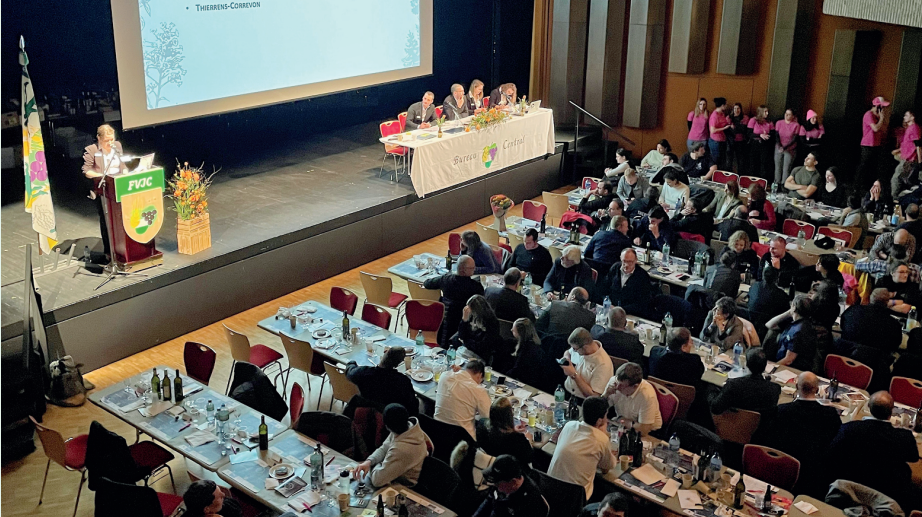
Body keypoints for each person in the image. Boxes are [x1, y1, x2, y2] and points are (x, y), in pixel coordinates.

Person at [827, 391, 920, 509]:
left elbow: (832, 452)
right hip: (889, 489)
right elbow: (914, 457)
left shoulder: (849, 429)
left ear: (869, 407)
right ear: (891, 412)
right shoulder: (904, 437)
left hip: (852, 482)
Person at [759, 372, 841, 498]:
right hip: (814, 470)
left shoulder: (782, 410)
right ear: (817, 389)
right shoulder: (830, 414)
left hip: (783, 463)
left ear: (797, 387)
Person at [547, 396, 616, 499]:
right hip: (575, 498)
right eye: (606, 416)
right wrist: (603, 434)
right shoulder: (601, 439)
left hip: (550, 488)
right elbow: (607, 467)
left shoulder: (569, 425)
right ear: (599, 421)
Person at [354, 403, 432, 487]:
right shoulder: (407, 428)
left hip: (404, 487)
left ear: (387, 427)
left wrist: (376, 465)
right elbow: (384, 448)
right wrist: (369, 462)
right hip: (393, 475)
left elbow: (377, 480)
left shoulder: (401, 449)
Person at [82, 124, 128, 260]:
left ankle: (123, 248)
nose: (110, 143)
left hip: (119, 186)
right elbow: (86, 171)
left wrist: (125, 172)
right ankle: (109, 252)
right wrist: (102, 175)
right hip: (103, 189)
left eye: (112, 139)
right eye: (107, 140)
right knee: (107, 221)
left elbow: (123, 165)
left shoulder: (117, 146)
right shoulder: (92, 150)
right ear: (99, 138)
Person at [708, 347, 780, 426]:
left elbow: (715, 408)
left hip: (731, 427)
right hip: (759, 431)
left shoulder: (733, 385)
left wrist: (711, 389)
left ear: (746, 364)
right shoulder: (775, 389)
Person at [424, 255, 485, 346]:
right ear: (463, 270)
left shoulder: (445, 279)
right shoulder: (475, 287)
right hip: (464, 324)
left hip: (444, 323)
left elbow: (427, 284)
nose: (474, 269)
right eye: (472, 268)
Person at [346, 347, 418, 414]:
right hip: (391, 417)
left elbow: (350, 373)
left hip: (368, 412)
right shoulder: (403, 381)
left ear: (384, 354)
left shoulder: (364, 373)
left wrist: (351, 363)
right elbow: (412, 405)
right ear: (398, 364)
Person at [474, 455, 549, 517]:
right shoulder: (502, 483)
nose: (494, 485)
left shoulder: (529, 502)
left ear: (513, 482)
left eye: (497, 483)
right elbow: (489, 499)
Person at [434, 359, 491, 438]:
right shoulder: (479, 390)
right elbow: (488, 417)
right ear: (480, 375)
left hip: (436, 431)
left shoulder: (444, 376)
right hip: (462, 439)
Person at [603, 362, 662, 436]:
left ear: (635, 386)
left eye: (622, 385)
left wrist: (623, 421)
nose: (617, 387)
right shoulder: (614, 382)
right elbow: (598, 409)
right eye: (617, 382)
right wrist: (605, 395)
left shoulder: (647, 395)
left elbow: (643, 430)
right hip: (622, 424)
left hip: (650, 432)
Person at [840, 288, 903, 354]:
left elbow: (842, 326)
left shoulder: (852, 311)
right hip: (876, 362)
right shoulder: (894, 325)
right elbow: (895, 345)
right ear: (887, 302)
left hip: (845, 358)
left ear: (870, 298)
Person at [475, 397, 533, 467]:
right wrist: (529, 440)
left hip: (490, 463)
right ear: (509, 416)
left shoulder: (482, 424)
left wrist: (512, 430)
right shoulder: (517, 440)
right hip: (510, 471)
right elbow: (529, 458)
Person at [560, 327, 614, 399]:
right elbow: (568, 352)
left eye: (575, 349)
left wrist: (573, 374)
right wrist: (566, 358)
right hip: (567, 391)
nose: (574, 351)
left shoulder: (603, 364)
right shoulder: (583, 347)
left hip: (582, 400)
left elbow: (594, 396)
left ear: (585, 347)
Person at [768, 294, 817, 371]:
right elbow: (769, 325)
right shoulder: (799, 323)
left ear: (794, 307)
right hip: (783, 364)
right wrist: (789, 313)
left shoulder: (799, 330)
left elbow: (789, 360)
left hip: (791, 369)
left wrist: (772, 369)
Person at [453, 294, 503, 364]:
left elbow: (483, 347)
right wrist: (464, 320)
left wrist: (466, 341)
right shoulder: (470, 316)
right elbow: (461, 335)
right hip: (466, 349)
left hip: (479, 355)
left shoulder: (492, 323)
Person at [607, 249, 654, 318]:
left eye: (630, 262)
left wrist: (621, 309)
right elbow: (604, 288)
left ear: (636, 261)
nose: (626, 265)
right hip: (611, 309)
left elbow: (642, 303)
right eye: (624, 261)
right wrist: (607, 302)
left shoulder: (642, 276)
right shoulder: (615, 268)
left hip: (630, 313)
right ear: (620, 258)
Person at [858, 96, 890, 189]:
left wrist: (883, 118)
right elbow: (875, 128)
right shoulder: (869, 114)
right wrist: (881, 118)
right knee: (863, 166)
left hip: (877, 144)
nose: (883, 109)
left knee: (873, 167)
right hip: (867, 144)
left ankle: (869, 185)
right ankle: (858, 186)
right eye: (882, 107)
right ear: (877, 106)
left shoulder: (878, 116)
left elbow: (884, 129)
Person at [748, 265, 790, 334]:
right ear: (777, 279)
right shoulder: (781, 295)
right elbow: (786, 315)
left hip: (751, 322)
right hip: (770, 326)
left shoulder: (754, 286)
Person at [505, 318, 547, 389]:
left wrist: (504, 376)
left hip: (528, 383)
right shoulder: (534, 344)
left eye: (514, 329)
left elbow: (517, 370)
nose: (511, 330)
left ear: (520, 333)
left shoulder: (526, 349)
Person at [773, 108, 801, 188]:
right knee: (778, 166)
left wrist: (785, 147)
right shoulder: (779, 123)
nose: (786, 115)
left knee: (786, 168)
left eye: (789, 114)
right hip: (779, 147)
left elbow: (795, 139)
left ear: (792, 116)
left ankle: (784, 185)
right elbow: (777, 135)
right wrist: (780, 145)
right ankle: (777, 183)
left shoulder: (796, 125)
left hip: (790, 148)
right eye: (786, 113)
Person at [748, 105, 775, 180]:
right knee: (753, 163)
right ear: (760, 112)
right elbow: (749, 133)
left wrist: (767, 136)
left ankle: (762, 181)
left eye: (767, 111)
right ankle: (752, 180)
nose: (767, 113)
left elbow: (773, 134)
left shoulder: (769, 122)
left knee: (763, 164)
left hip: (765, 144)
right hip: (755, 144)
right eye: (765, 111)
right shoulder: (753, 120)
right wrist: (760, 135)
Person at [708, 97, 731, 168]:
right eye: (725, 105)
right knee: (716, 161)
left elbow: (723, 122)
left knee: (722, 161)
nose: (726, 106)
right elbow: (712, 130)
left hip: (722, 140)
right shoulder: (714, 116)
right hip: (715, 141)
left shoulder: (722, 114)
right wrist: (724, 128)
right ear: (722, 105)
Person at [727, 103, 749, 173]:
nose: (736, 110)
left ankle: (740, 177)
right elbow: (727, 131)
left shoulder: (745, 118)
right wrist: (736, 128)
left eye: (738, 108)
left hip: (741, 142)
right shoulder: (728, 118)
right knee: (729, 160)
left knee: (741, 161)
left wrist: (734, 128)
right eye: (735, 109)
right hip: (730, 141)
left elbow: (744, 130)